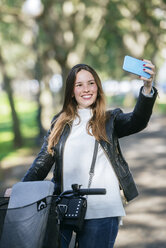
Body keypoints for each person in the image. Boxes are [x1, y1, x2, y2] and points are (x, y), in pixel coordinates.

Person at [5, 60, 157, 248]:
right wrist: (22, 189)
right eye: (79, 84)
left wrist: (147, 88)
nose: (86, 89)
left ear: (98, 88)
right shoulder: (59, 123)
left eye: (91, 83)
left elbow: (138, 121)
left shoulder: (110, 120)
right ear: (71, 91)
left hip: (103, 210)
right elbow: (43, 161)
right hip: (63, 208)